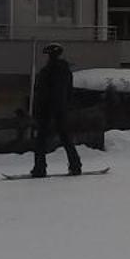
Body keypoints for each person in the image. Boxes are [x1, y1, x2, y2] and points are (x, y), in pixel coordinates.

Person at [29, 42, 81, 177]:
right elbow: (69, 92)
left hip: (47, 109)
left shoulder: (47, 71)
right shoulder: (66, 72)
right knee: (65, 138)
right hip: (61, 109)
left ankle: (40, 168)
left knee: (41, 140)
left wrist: (39, 109)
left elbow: (42, 92)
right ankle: (75, 165)